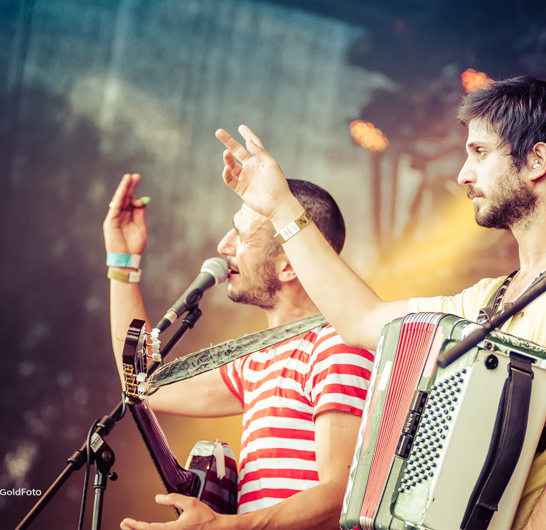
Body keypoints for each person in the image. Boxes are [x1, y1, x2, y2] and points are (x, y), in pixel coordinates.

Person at [215, 76, 546, 529]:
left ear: (537, 160)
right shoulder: (485, 300)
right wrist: (282, 209)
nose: (463, 174)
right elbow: (361, 319)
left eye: (480, 152)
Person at [103, 173, 374, 529]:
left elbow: (341, 497)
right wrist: (123, 264)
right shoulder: (258, 360)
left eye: (243, 236)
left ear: (288, 265)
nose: (224, 245)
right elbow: (144, 386)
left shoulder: (336, 345)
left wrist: (219, 527)